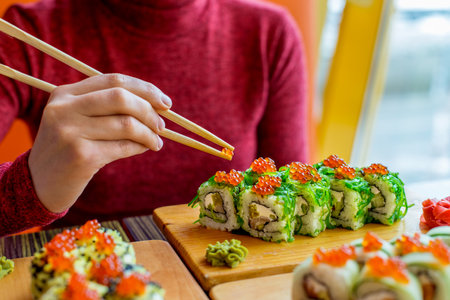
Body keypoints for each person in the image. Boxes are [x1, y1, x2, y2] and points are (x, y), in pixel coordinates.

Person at [0, 0, 309, 236]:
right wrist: (32, 183)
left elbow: (291, 201)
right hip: (83, 275)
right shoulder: (27, 33)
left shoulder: (269, 33)